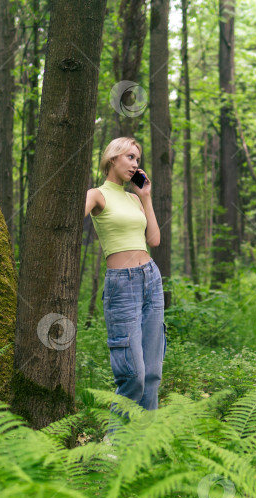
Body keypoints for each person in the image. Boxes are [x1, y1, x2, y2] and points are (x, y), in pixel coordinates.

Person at [84, 137, 167, 442]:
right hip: (122, 285)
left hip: (151, 279)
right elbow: (68, 218)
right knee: (133, 373)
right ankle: (114, 445)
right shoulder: (97, 195)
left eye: (137, 159)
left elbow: (154, 240)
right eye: (130, 157)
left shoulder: (134, 199)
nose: (135, 164)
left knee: (153, 373)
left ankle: (144, 444)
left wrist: (146, 197)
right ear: (112, 158)